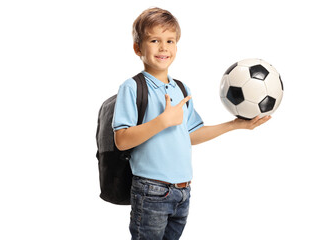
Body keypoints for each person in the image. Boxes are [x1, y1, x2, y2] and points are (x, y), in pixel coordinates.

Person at [112, 7, 271, 240]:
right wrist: (162, 121)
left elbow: (191, 134)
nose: (163, 47)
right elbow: (122, 140)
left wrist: (235, 124)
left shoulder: (180, 88)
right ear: (138, 48)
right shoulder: (132, 87)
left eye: (170, 40)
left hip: (182, 191)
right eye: (154, 40)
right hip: (151, 191)